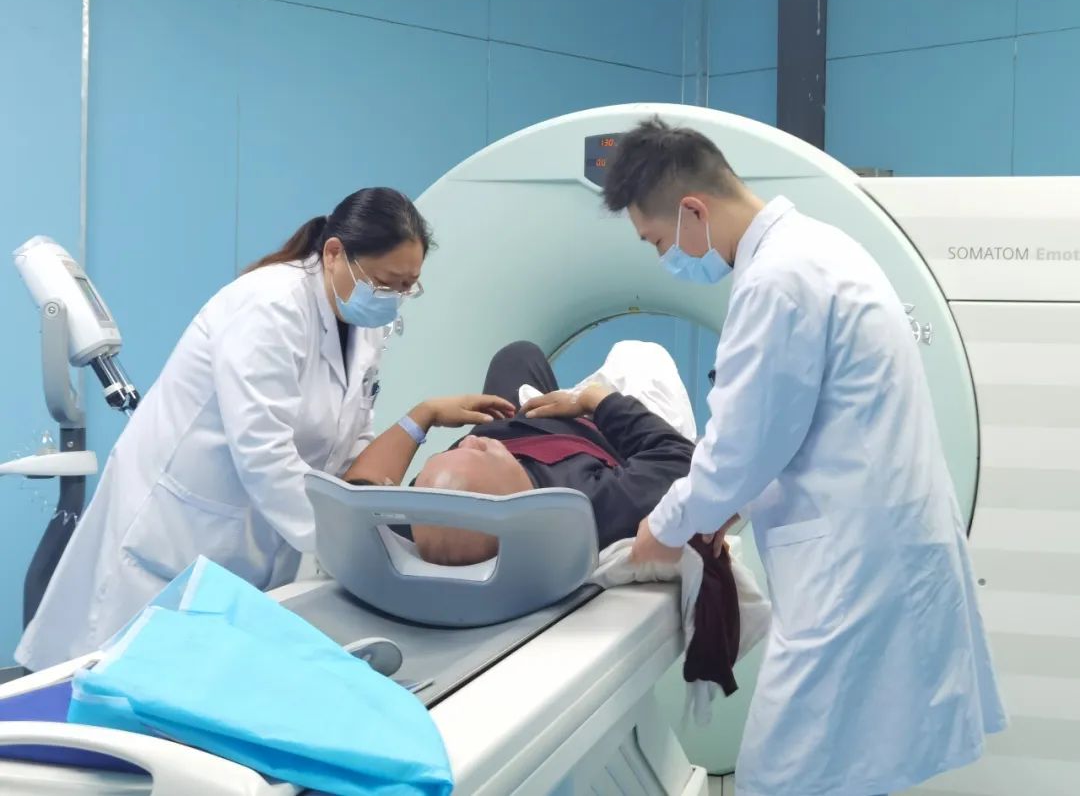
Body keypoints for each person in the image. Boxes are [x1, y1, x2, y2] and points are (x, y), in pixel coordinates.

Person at [605, 117, 1006, 796]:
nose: (665, 260)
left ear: (693, 210)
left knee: (781, 779)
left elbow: (737, 450)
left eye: (658, 242)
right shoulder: (822, 248)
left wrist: (664, 528)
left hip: (854, 568)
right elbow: (795, 429)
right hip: (874, 545)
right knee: (837, 775)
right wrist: (719, 511)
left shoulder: (777, 282)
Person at [17, 188, 514, 671]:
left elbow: (352, 433)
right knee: (117, 678)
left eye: (408, 286)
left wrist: (366, 509)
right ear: (334, 254)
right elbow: (263, 454)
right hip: (176, 536)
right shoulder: (269, 306)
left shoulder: (363, 323)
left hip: (250, 538)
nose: (395, 299)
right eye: (387, 283)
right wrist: (348, 550)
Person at [343, 339, 700, 565]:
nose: (467, 441)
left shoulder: (425, 521)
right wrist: (596, 401)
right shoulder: (583, 505)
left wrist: (426, 413)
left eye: (438, 458)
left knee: (517, 354)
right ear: (514, 501)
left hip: (516, 419)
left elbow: (357, 489)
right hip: (597, 429)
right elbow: (679, 457)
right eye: (477, 452)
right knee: (638, 353)